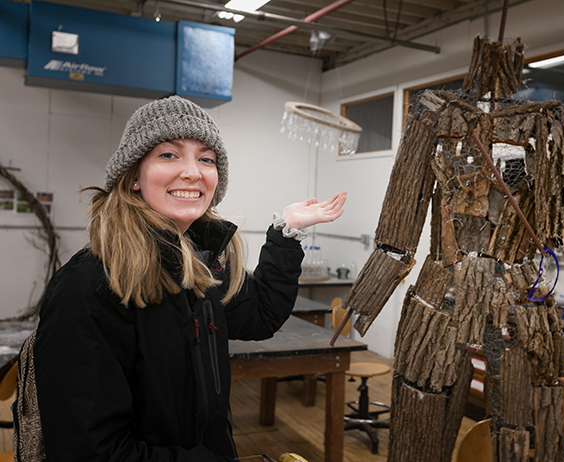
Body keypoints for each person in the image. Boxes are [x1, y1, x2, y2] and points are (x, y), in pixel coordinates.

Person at [32, 96, 346, 461]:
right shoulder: (88, 287)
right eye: (169, 154)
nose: (193, 172)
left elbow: (261, 314)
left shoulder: (202, 266)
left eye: (206, 159)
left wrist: (286, 233)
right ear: (134, 175)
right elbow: (88, 452)